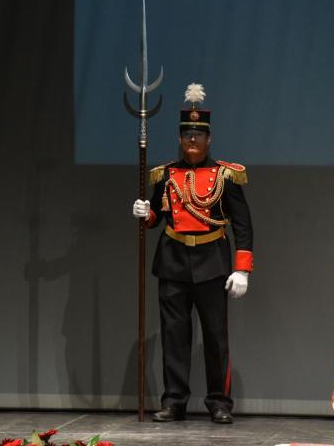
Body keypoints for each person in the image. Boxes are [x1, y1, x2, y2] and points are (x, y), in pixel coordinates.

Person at [132, 83, 253, 425]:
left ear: (209, 139)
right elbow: (157, 216)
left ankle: (218, 401)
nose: (193, 141)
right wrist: (146, 213)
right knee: (174, 337)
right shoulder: (166, 173)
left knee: (216, 337)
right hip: (172, 260)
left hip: (213, 262)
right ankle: (174, 401)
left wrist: (242, 269)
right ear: (180, 139)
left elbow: (243, 226)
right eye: (187, 136)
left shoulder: (225, 176)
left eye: (199, 136)